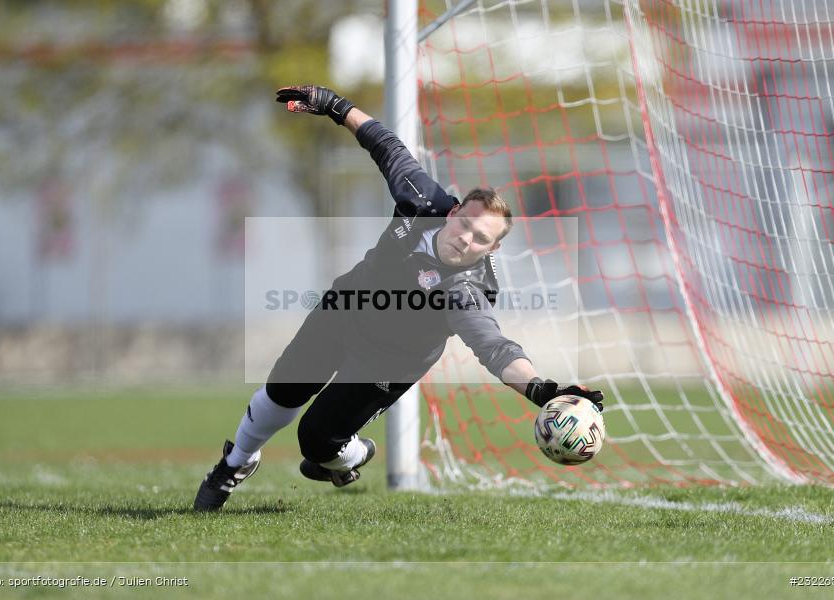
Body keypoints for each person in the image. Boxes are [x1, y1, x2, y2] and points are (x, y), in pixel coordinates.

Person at [193, 85, 604, 511]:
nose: (466, 239)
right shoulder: (422, 198)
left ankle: (352, 454)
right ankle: (233, 465)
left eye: (481, 239)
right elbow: (385, 145)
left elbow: (494, 348)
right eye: (465, 224)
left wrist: (542, 390)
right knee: (284, 390)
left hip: (389, 360)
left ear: (492, 250)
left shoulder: (467, 291)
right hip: (347, 307)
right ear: (453, 212)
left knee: (315, 442)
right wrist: (335, 106)